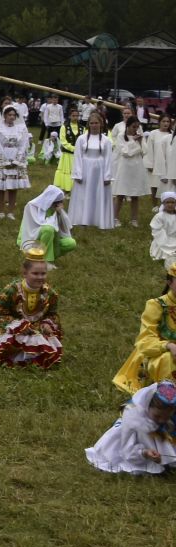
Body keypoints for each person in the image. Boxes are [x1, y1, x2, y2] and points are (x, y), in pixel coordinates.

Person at [0, 245, 63, 368]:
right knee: (12, 342)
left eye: (43, 273)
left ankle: (32, 358)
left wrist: (48, 324)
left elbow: (53, 314)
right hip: (14, 329)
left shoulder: (50, 293)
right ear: (25, 273)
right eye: (35, 273)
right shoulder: (12, 290)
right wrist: (18, 326)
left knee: (47, 343)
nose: (40, 277)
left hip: (37, 329)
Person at [112, 261, 176, 395]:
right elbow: (144, 342)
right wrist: (169, 346)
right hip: (158, 355)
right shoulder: (156, 305)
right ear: (169, 283)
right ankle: (168, 396)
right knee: (168, 360)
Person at [85, 381, 176, 476]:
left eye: (166, 417)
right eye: (157, 416)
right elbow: (128, 449)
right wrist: (144, 453)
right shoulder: (134, 419)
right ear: (147, 405)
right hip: (130, 449)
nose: (162, 421)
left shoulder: (166, 418)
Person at [68, 109, 115, 230]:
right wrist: (78, 174)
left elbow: (109, 159)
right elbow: (78, 156)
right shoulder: (81, 139)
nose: (94, 125)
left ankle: (98, 219)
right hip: (85, 169)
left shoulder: (106, 140)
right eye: (92, 123)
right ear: (88, 124)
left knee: (97, 194)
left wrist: (107, 176)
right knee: (84, 194)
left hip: (99, 170)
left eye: (96, 123)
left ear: (101, 124)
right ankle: (82, 219)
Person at [19, 184, 76, 264]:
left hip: (52, 239)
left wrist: (60, 213)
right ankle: (44, 261)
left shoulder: (55, 210)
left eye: (60, 202)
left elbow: (66, 227)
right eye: (57, 202)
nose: (59, 204)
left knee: (71, 243)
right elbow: (33, 228)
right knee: (48, 229)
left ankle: (49, 256)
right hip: (31, 240)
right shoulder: (32, 206)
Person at [112, 117, 152, 227]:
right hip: (124, 167)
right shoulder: (121, 136)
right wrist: (133, 142)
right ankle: (115, 218)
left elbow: (145, 151)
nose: (135, 129)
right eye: (133, 127)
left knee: (135, 195)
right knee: (120, 194)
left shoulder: (140, 137)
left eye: (137, 127)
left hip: (137, 167)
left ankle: (134, 219)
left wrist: (139, 143)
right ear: (128, 126)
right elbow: (125, 152)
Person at [152, 191, 176, 265]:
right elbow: (157, 232)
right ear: (163, 203)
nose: (170, 204)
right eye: (167, 202)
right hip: (163, 241)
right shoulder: (159, 216)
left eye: (172, 202)